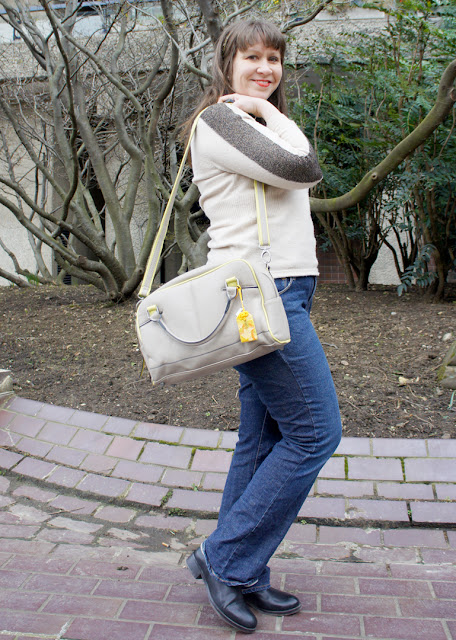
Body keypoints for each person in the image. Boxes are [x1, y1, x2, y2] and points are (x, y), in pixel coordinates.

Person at [185, 18, 342, 634]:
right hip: (259, 293)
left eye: (274, 59)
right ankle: (223, 558)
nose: (265, 69)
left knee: (263, 436)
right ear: (227, 64)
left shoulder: (249, 121)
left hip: (284, 288)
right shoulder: (222, 121)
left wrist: (265, 111)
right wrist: (267, 110)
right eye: (251, 57)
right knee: (316, 433)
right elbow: (303, 168)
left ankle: (243, 570)